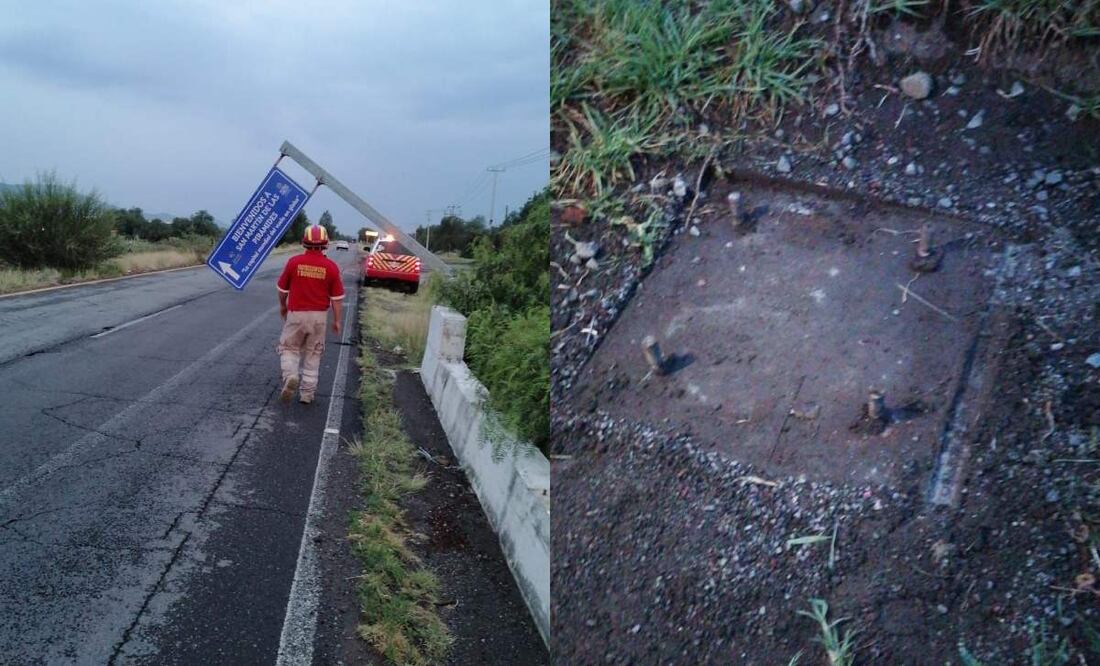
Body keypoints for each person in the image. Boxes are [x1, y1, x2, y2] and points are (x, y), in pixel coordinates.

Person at [275, 224, 345, 404]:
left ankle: (291, 376)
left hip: (296, 314)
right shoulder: (331, 267)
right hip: (319, 318)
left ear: (304, 242)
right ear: (325, 243)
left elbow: (282, 290)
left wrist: (283, 305)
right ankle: (307, 394)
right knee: (314, 353)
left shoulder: (294, 262)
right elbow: (336, 299)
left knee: (289, 348)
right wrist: (337, 321)